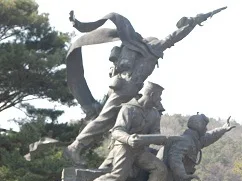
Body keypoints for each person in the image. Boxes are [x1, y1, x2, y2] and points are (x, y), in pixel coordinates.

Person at [64, 8, 226, 164]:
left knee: (121, 120)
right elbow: (173, 38)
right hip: (127, 89)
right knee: (104, 120)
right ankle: (75, 147)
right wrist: (193, 22)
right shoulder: (150, 50)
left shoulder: (136, 51)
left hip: (126, 88)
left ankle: (118, 153)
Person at [73, 82, 173, 181]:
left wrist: (159, 139)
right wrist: (128, 139)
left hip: (140, 151)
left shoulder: (154, 114)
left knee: (160, 169)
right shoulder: (128, 109)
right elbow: (116, 131)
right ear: (152, 95)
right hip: (123, 146)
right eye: (159, 97)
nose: (160, 100)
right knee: (118, 176)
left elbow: (155, 132)